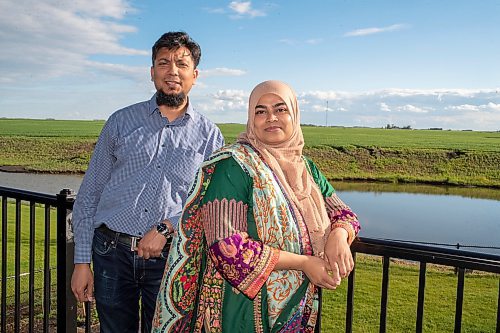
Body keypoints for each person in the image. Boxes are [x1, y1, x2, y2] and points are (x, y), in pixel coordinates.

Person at [152, 80, 360, 332]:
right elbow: (227, 247)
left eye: (281, 109)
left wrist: (339, 234)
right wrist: (304, 263)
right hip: (241, 309)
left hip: (297, 304)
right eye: (260, 111)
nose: (271, 117)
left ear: (295, 115)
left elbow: (343, 212)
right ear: (251, 119)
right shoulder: (234, 166)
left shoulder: (306, 168)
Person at [70, 31, 224, 333]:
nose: (173, 71)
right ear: (152, 72)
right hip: (111, 254)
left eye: (181, 64)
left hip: (172, 258)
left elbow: (208, 202)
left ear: (195, 75)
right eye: (163, 63)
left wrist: (167, 227)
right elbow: (89, 195)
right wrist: (81, 262)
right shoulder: (121, 121)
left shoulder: (210, 136)